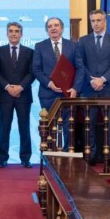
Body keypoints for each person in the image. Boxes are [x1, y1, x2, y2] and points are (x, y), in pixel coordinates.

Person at [76, 9, 110, 169]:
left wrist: (102, 79)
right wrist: (92, 80)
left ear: (105, 21)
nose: (95, 24)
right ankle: (92, 155)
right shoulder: (83, 41)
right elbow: (80, 63)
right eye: (93, 21)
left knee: (109, 125)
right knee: (89, 124)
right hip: (88, 88)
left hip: (108, 87)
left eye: (98, 20)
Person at [32, 17, 83, 151]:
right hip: (47, 94)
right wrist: (49, 83)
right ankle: (50, 156)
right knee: (49, 128)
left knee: (68, 127)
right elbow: (36, 69)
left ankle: (67, 155)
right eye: (50, 26)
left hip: (69, 94)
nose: (53, 28)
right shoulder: (39, 46)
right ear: (47, 30)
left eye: (56, 25)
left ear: (62, 28)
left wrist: (75, 88)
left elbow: (80, 68)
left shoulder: (73, 45)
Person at [0, 22, 34, 168]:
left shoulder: (30, 52)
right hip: (4, 95)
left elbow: (32, 73)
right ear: (6, 34)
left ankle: (25, 158)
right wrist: (7, 87)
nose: (13, 33)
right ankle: (2, 158)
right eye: (10, 31)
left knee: (24, 127)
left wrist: (21, 87)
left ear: (21, 34)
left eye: (17, 31)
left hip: (23, 96)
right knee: (4, 127)